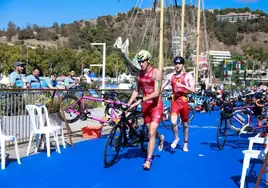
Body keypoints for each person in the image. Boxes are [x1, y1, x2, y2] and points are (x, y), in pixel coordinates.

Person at [127, 50, 164, 170]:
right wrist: (128, 104)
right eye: (139, 62)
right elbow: (136, 91)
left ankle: (148, 160)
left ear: (148, 61)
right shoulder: (139, 75)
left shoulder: (156, 73)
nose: (140, 64)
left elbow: (157, 92)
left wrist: (141, 100)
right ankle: (161, 137)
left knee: (151, 133)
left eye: (142, 61)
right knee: (150, 132)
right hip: (145, 106)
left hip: (156, 106)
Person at [162, 56, 195, 152]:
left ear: (183, 65)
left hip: (184, 102)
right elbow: (162, 87)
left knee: (185, 125)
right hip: (175, 102)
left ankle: (185, 143)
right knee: (173, 122)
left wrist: (183, 85)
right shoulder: (170, 76)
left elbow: (193, 89)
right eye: (176, 64)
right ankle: (176, 138)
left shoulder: (188, 76)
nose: (177, 65)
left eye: (179, 64)